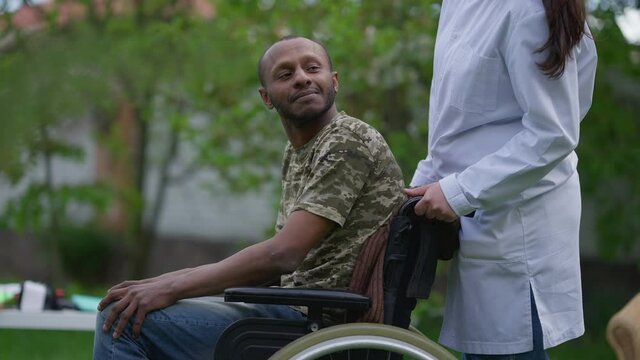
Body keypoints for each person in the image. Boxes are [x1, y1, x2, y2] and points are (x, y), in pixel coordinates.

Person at [92, 35, 405, 359]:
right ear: (267, 98)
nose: (302, 77)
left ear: (334, 81)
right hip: (297, 308)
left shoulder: (345, 142)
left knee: (121, 321)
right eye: (285, 74)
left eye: (313, 68)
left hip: (322, 324)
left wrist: (170, 287)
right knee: (132, 306)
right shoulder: (300, 151)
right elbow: (277, 266)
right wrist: (161, 283)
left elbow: (283, 255)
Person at [405, 0, 597, 359]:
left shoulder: (529, 10)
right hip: (476, 211)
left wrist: (459, 190)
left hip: (520, 217)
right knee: (484, 347)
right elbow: (455, 119)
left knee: (507, 346)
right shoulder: (457, 4)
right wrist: (422, 185)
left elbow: (552, 133)